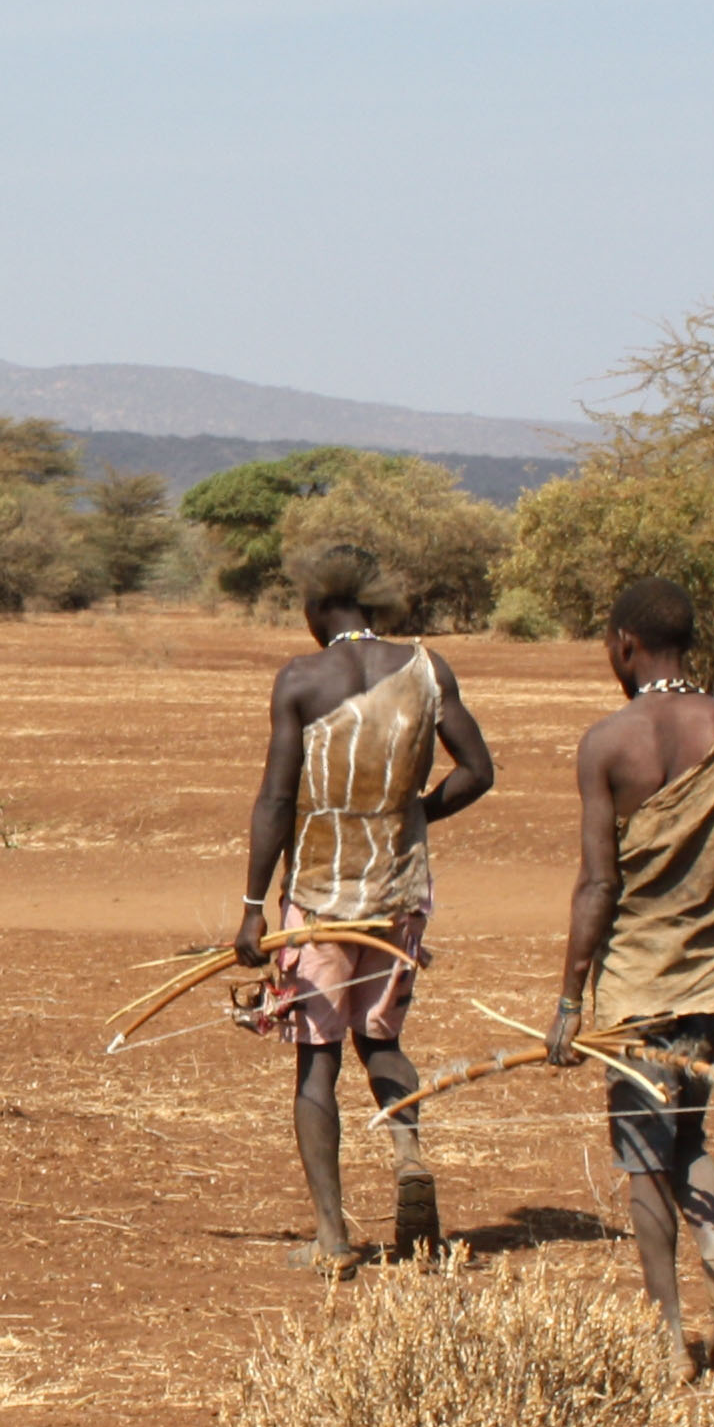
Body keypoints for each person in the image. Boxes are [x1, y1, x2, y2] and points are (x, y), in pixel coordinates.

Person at [545, 574, 714, 1379]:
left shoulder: (608, 743)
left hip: (635, 987)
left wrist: (568, 999)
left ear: (624, 643)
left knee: (642, 1156)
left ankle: (665, 1333)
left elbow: (598, 885)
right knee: (686, 1128)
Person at [232, 544, 496, 1273]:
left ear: (319, 608)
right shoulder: (426, 669)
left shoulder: (302, 678)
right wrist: (409, 817)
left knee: (316, 1065)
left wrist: (255, 909)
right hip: (398, 894)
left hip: (317, 899)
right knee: (380, 1040)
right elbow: (478, 772)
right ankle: (408, 1153)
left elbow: (277, 801)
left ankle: (333, 1239)